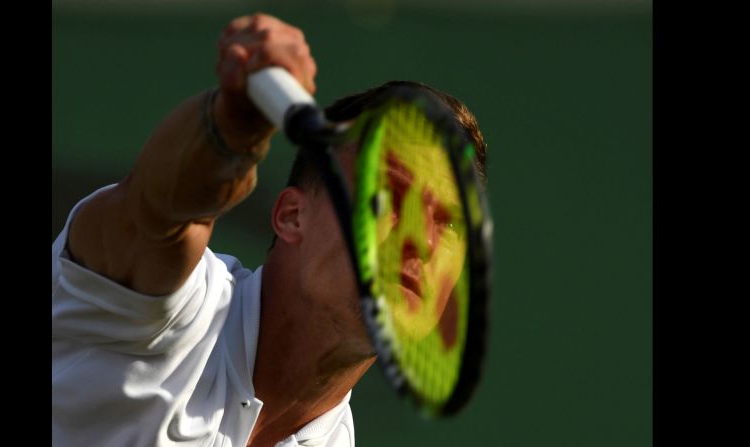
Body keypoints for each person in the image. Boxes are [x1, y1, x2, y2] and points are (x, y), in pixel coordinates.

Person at [52, 13, 487, 447]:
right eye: (388, 198)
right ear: (292, 216)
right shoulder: (173, 308)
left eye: (448, 224)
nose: (421, 242)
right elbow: (158, 210)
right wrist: (232, 129)